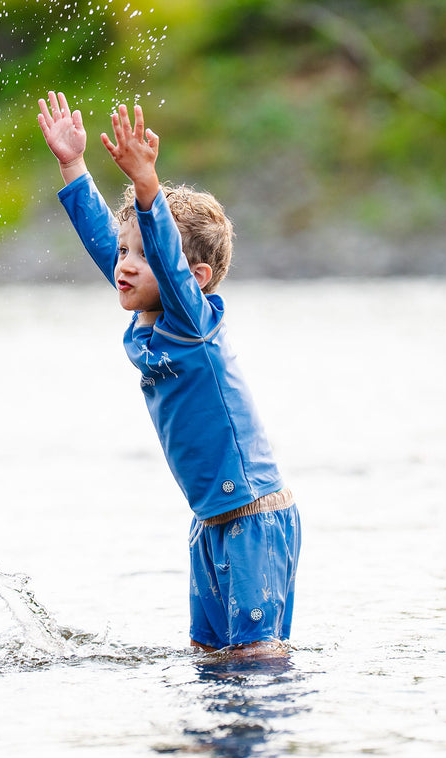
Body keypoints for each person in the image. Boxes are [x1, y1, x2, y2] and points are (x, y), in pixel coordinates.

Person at [36, 90, 301, 652]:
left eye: (142, 254)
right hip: (210, 521)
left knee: (256, 658)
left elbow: (166, 259)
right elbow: (106, 240)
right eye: (124, 252)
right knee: (206, 656)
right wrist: (73, 165)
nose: (124, 264)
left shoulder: (191, 321)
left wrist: (149, 187)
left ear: (195, 277)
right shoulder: (152, 317)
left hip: (254, 519)